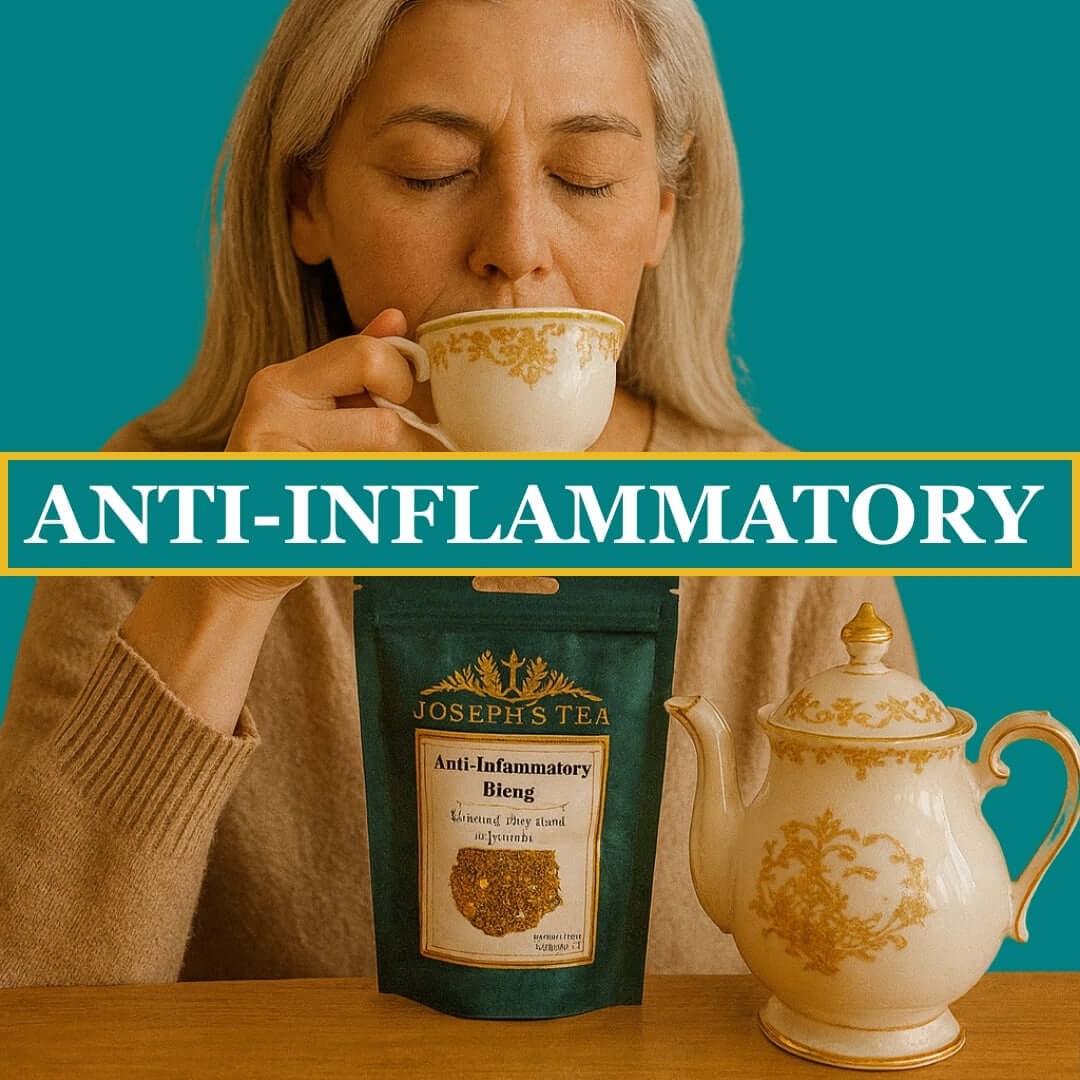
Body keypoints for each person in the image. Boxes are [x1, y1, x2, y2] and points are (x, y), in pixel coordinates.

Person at [0, 0, 914, 986]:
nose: (515, 245)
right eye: (430, 171)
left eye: (586, 177)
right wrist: (215, 598)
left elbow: (898, 970)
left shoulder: (797, 547)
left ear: (661, 207)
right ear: (308, 202)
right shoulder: (151, 512)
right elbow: (37, 1008)